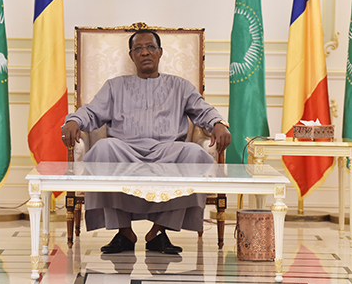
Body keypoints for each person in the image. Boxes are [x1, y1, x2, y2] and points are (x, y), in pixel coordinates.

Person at [61, 29, 231, 254]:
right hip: (125, 150)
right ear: (131, 56)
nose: (145, 52)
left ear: (160, 52)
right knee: (102, 149)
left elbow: (203, 110)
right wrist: (73, 121)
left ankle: (159, 230)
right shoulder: (114, 86)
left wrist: (218, 123)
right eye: (138, 48)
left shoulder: (180, 86)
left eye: (150, 47)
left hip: (167, 151)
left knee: (195, 155)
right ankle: (124, 231)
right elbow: (91, 112)